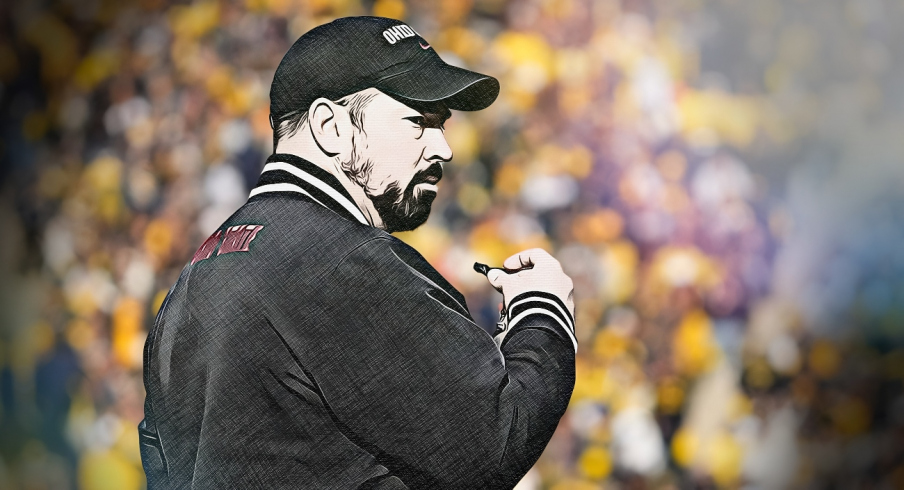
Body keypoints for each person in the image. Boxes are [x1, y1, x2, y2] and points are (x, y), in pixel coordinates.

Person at [139, 16, 577, 489]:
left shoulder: (192, 280)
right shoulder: (343, 261)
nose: (444, 148)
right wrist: (543, 313)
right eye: (418, 121)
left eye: (442, 124)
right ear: (330, 126)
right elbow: (491, 446)